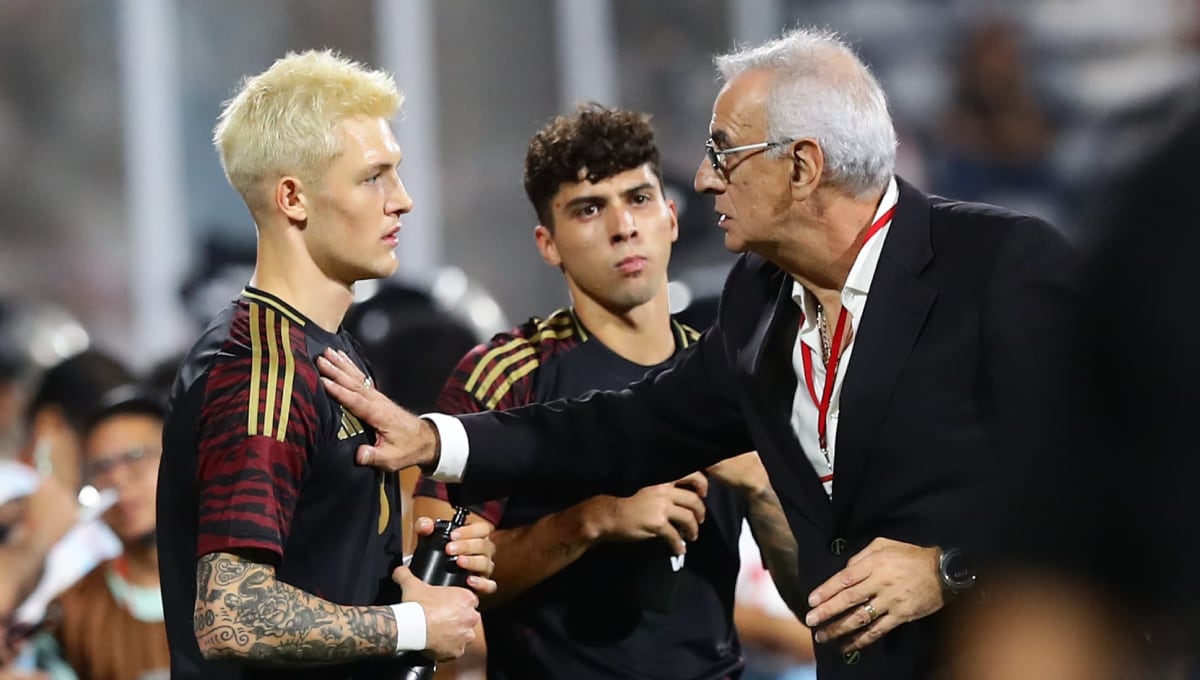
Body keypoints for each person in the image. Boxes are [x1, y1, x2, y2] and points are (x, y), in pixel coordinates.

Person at [316, 28, 1076, 679]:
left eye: (724, 152)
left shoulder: (1000, 265)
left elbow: (1117, 471)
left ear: (802, 166)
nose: (706, 176)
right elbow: (624, 426)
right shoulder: (758, 301)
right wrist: (437, 439)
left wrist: (948, 567)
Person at [412, 105, 802, 679]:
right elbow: (431, 589)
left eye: (638, 199)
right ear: (548, 243)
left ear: (670, 216)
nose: (624, 227)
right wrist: (587, 523)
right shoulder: (507, 372)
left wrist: (763, 491)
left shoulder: (733, 377)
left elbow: (814, 599)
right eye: (590, 209)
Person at [156, 49, 495, 680]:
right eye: (374, 177)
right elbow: (233, 613)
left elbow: (314, 568)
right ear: (293, 197)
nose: (403, 200)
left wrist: (410, 575)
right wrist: (413, 626)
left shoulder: (322, 347)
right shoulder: (264, 364)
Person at [55, 386, 170, 680]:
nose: (118, 479)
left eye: (135, 456)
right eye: (102, 467)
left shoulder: (240, 584)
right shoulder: (73, 612)